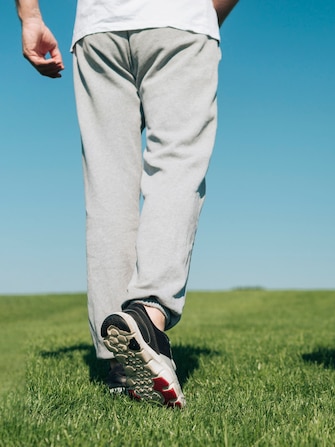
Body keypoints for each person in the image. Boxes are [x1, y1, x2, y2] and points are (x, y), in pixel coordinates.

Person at [16, 0, 239, 408]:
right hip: (181, 21)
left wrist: (30, 16)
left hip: (98, 29)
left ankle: (120, 361)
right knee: (177, 161)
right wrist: (207, 12)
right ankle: (148, 315)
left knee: (107, 183)